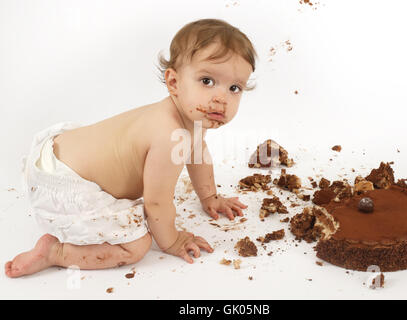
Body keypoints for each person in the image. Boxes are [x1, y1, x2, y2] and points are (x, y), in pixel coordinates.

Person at [5, 18, 257, 278]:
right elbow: (156, 202)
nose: (221, 98)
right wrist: (172, 241)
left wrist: (210, 197)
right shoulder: (169, 134)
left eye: (234, 88)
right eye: (206, 81)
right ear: (173, 82)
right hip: (65, 182)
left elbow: (198, 153)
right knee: (135, 246)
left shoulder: (190, 120)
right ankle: (54, 252)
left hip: (62, 150)